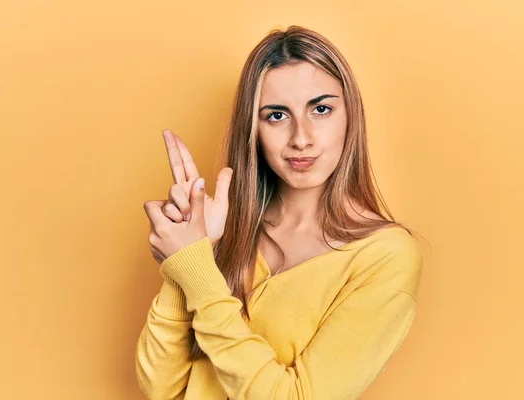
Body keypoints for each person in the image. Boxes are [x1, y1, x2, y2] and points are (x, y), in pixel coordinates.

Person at [136, 25, 423, 400]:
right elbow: (162, 388)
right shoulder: (225, 225)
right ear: (252, 129)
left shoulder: (385, 256)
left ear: (350, 117)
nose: (301, 137)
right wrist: (188, 254)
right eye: (276, 115)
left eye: (321, 109)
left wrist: (196, 268)